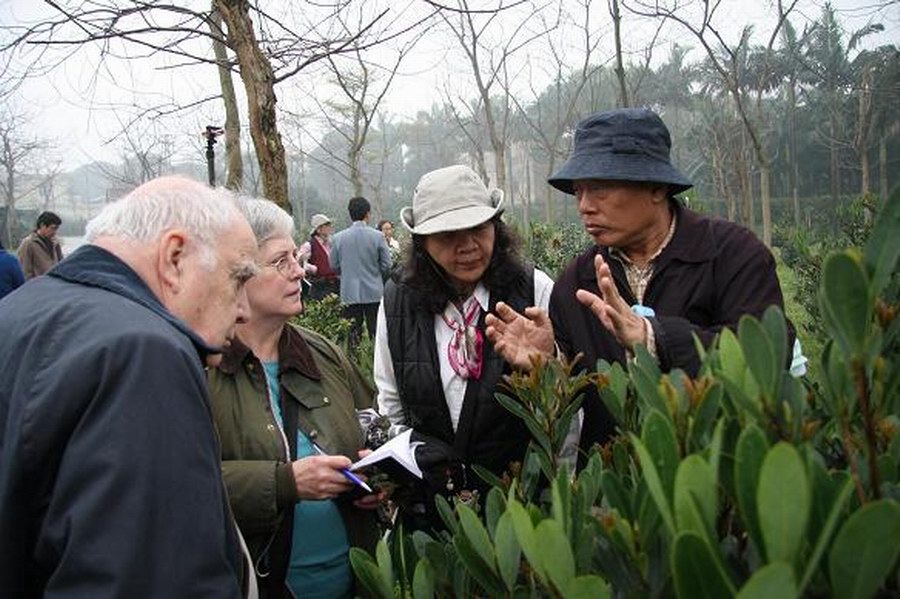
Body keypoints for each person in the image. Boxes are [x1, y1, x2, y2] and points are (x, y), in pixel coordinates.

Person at [0, 176, 259, 597]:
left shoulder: (19, 311)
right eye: (238, 278)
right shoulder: (143, 352)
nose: (245, 309)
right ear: (175, 258)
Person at [486, 107, 794, 459]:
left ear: (657, 187)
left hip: (716, 475)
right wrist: (551, 361)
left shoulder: (731, 255)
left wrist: (655, 339)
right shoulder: (577, 281)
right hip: (618, 492)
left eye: (599, 189)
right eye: (578, 191)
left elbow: (770, 352)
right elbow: (579, 397)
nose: (584, 206)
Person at [208, 198, 381, 599]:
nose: (299, 271)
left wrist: (378, 477)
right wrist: (283, 483)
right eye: (281, 261)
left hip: (354, 581)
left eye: (296, 258)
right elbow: (177, 487)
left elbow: (371, 424)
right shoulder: (203, 367)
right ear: (238, 275)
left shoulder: (324, 353)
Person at [374, 164, 563, 530]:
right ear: (423, 244)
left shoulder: (533, 290)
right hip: (431, 507)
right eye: (447, 235)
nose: (468, 247)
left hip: (518, 504)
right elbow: (390, 401)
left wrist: (549, 364)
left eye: (478, 228)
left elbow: (567, 407)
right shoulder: (399, 301)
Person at [330, 196, 391, 347]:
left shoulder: (338, 238)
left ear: (350, 214)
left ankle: (353, 366)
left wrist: (346, 273)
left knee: (352, 336)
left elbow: (334, 265)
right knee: (377, 334)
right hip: (374, 291)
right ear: (367, 214)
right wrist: (375, 274)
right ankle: (376, 365)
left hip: (349, 292)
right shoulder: (378, 236)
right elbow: (386, 264)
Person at [299, 213, 339, 301]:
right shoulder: (309, 245)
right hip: (320, 288)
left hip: (334, 286)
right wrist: (314, 269)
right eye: (327, 225)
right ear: (319, 229)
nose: (330, 228)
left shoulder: (330, 244)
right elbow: (300, 262)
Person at [17, 210, 63, 279]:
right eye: (53, 228)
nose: (55, 232)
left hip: (54, 285)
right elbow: (24, 271)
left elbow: (61, 264)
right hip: (37, 287)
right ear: (42, 226)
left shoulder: (55, 243)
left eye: (56, 229)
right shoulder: (29, 243)